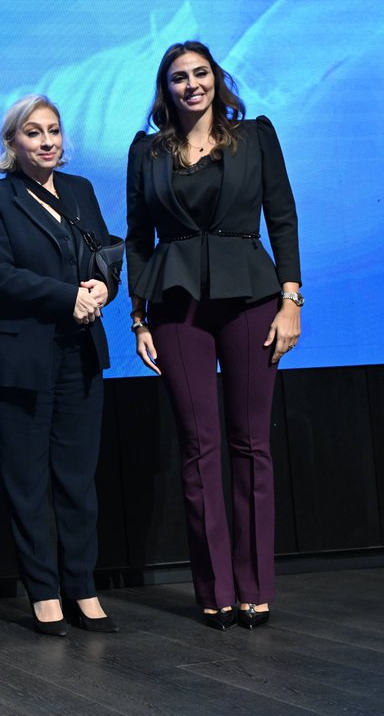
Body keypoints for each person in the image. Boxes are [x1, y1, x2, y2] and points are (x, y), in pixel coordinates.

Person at [126, 41, 301, 631]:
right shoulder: (146, 151)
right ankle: (216, 589)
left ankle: (255, 586)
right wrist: (138, 316)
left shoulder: (255, 136)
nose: (191, 85)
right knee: (199, 450)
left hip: (253, 297)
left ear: (216, 80)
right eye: (179, 77)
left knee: (252, 445)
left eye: (200, 74)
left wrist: (291, 301)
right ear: (166, 88)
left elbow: (282, 216)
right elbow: (137, 237)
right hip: (176, 306)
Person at [0, 94, 119, 637]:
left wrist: (105, 285)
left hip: (79, 350)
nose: (47, 141)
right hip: (21, 354)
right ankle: (44, 591)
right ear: (12, 143)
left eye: (53, 131)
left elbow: (106, 253)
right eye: (33, 133)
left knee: (78, 480)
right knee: (28, 480)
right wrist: (65, 296)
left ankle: (82, 585)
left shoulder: (79, 191)